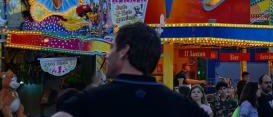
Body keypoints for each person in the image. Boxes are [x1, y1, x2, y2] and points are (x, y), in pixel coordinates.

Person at [52, 22, 207, 117]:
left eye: (112, 48)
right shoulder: (181, 105)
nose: (107, 55)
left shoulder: (91, 100)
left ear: (123, 51)